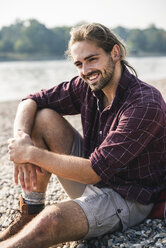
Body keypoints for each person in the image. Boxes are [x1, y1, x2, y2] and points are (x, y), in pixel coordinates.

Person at [0, 23, 166, 248]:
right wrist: (22, 139)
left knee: (52, 220)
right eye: (79, 63)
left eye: (92, 59)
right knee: (43, 117)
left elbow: (93, 172)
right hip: (92, 176)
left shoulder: (145, 103)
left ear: (115, 53)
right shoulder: (86, 85)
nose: (86, 70)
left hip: (128, 197)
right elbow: (31, 100)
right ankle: (31, 209)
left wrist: (30, 153)